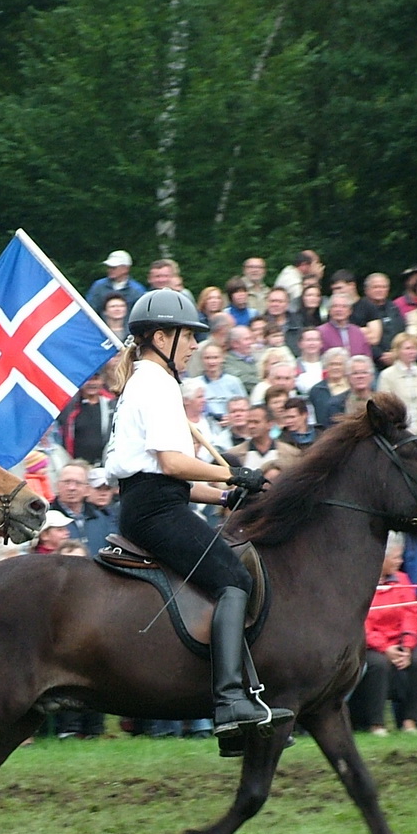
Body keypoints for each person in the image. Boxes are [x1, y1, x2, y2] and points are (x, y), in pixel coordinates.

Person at [101, 287, 287, 754]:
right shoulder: (156, 384)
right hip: (156, 511)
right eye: (188, 337)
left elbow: (170, 480)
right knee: (233, 581)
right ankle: (228, 702)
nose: (194, 347)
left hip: (156, 501)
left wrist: (225, 493)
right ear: (161, 336)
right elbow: (172, 464)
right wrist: (233, 470)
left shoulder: (146, 381)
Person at [348, 537, 417, 734]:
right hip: (370, 643)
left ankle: (410, 720)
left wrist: (407, 645)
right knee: (378, 665)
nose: (400, 561)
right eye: (395, 557)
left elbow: (412, 613)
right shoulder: (361, 582)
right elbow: (361, 622)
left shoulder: (402, 580)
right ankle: (376, 723)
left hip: (400, 641)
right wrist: (384, 647)